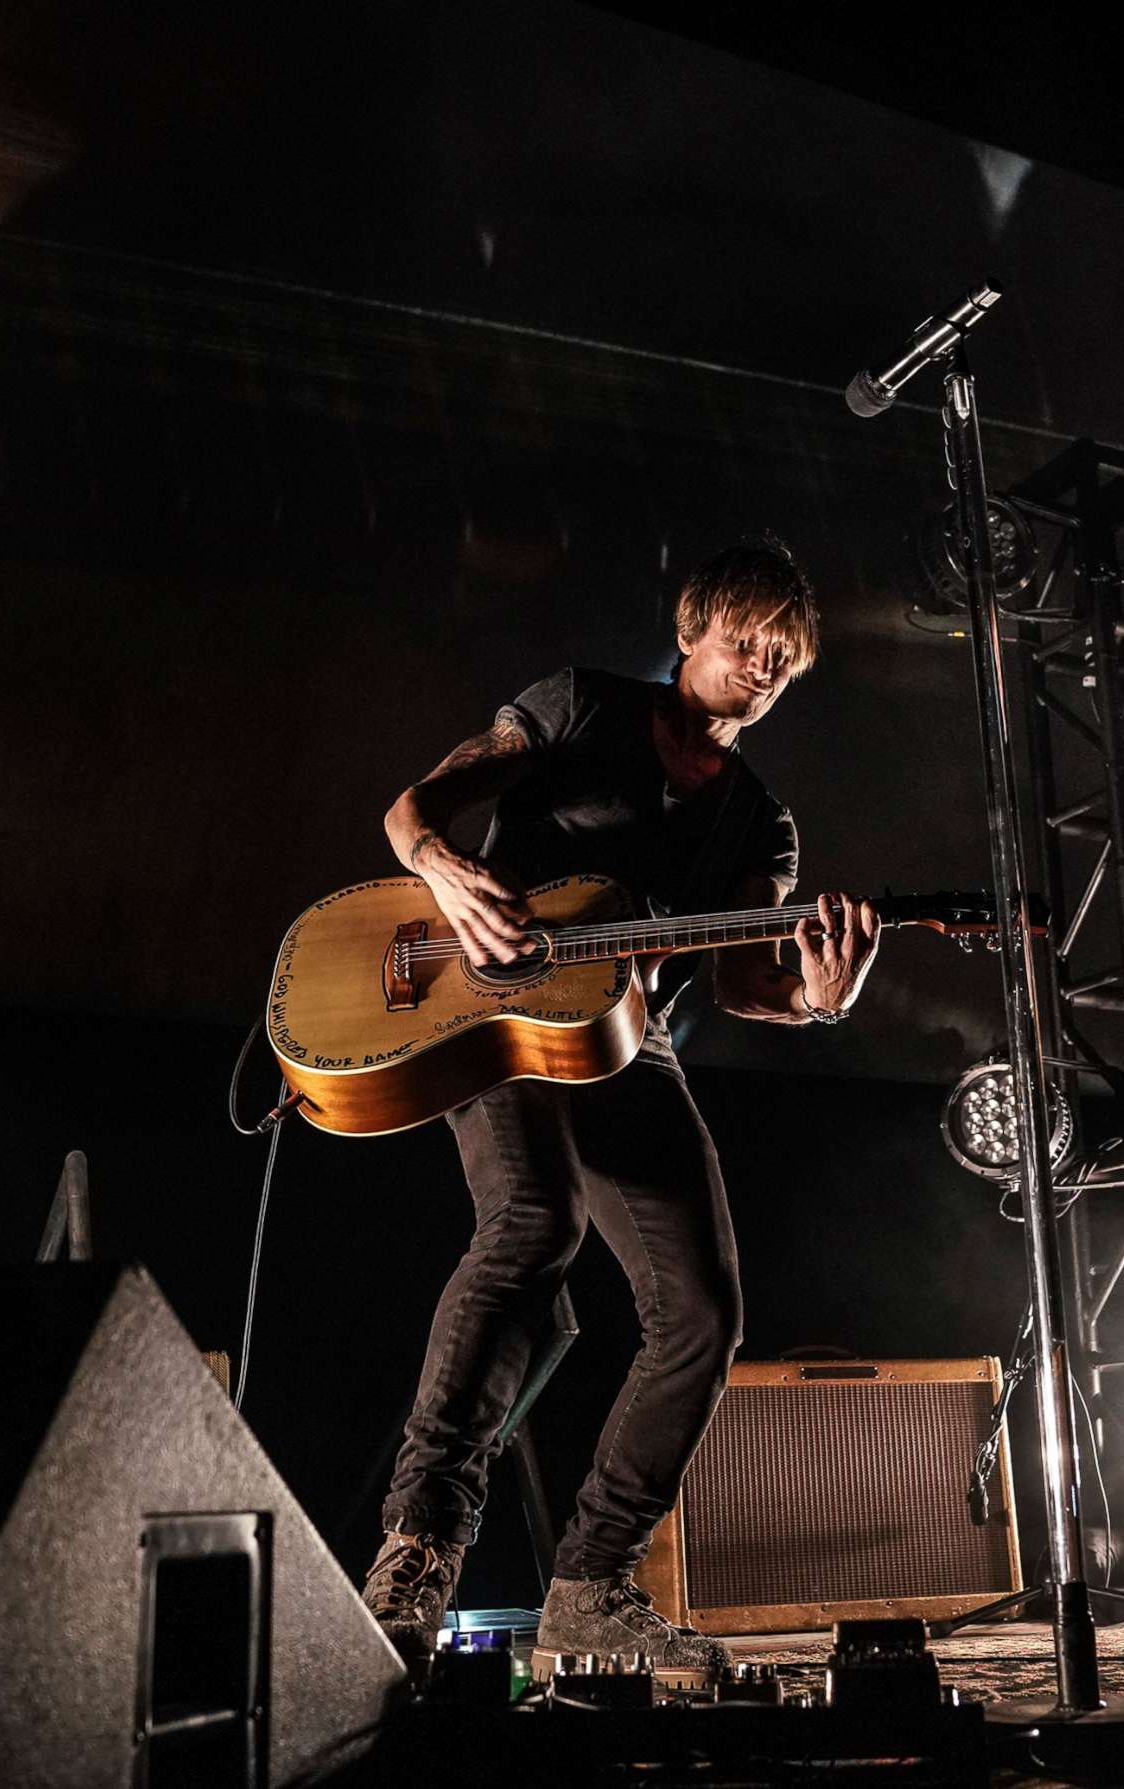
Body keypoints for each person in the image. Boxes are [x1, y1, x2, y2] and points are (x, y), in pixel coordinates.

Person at [358, 537, 882, 1682]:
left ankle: (593, 1588)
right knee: (534, 1222)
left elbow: (751, 983)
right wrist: (445, 867)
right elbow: (415, 809)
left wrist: (820, 1000)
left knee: (702, 1311)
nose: (760, 670)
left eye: (783, 662)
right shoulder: (578, 704)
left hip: (628, 1046)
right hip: (493, 1015)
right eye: (744, 643)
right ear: (693, 626)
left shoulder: (761, 822)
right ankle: (419, 1550)